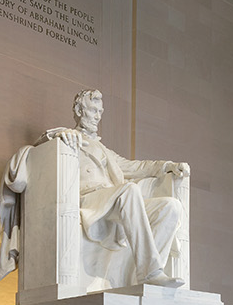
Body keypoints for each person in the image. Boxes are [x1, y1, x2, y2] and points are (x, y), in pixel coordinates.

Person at [45, 88, 187, 288]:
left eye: (100, 112)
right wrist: (60, 133)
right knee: (129, 190)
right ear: (78, 111)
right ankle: (150, 272)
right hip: (89, 200)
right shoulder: (66, 138)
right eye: (93, 110)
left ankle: (147, 277)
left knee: (171, 207)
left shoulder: (104, 151)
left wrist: (167, 166)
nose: (97, 116)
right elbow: (39, 146)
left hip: (115, 200)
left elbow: (135, 167)